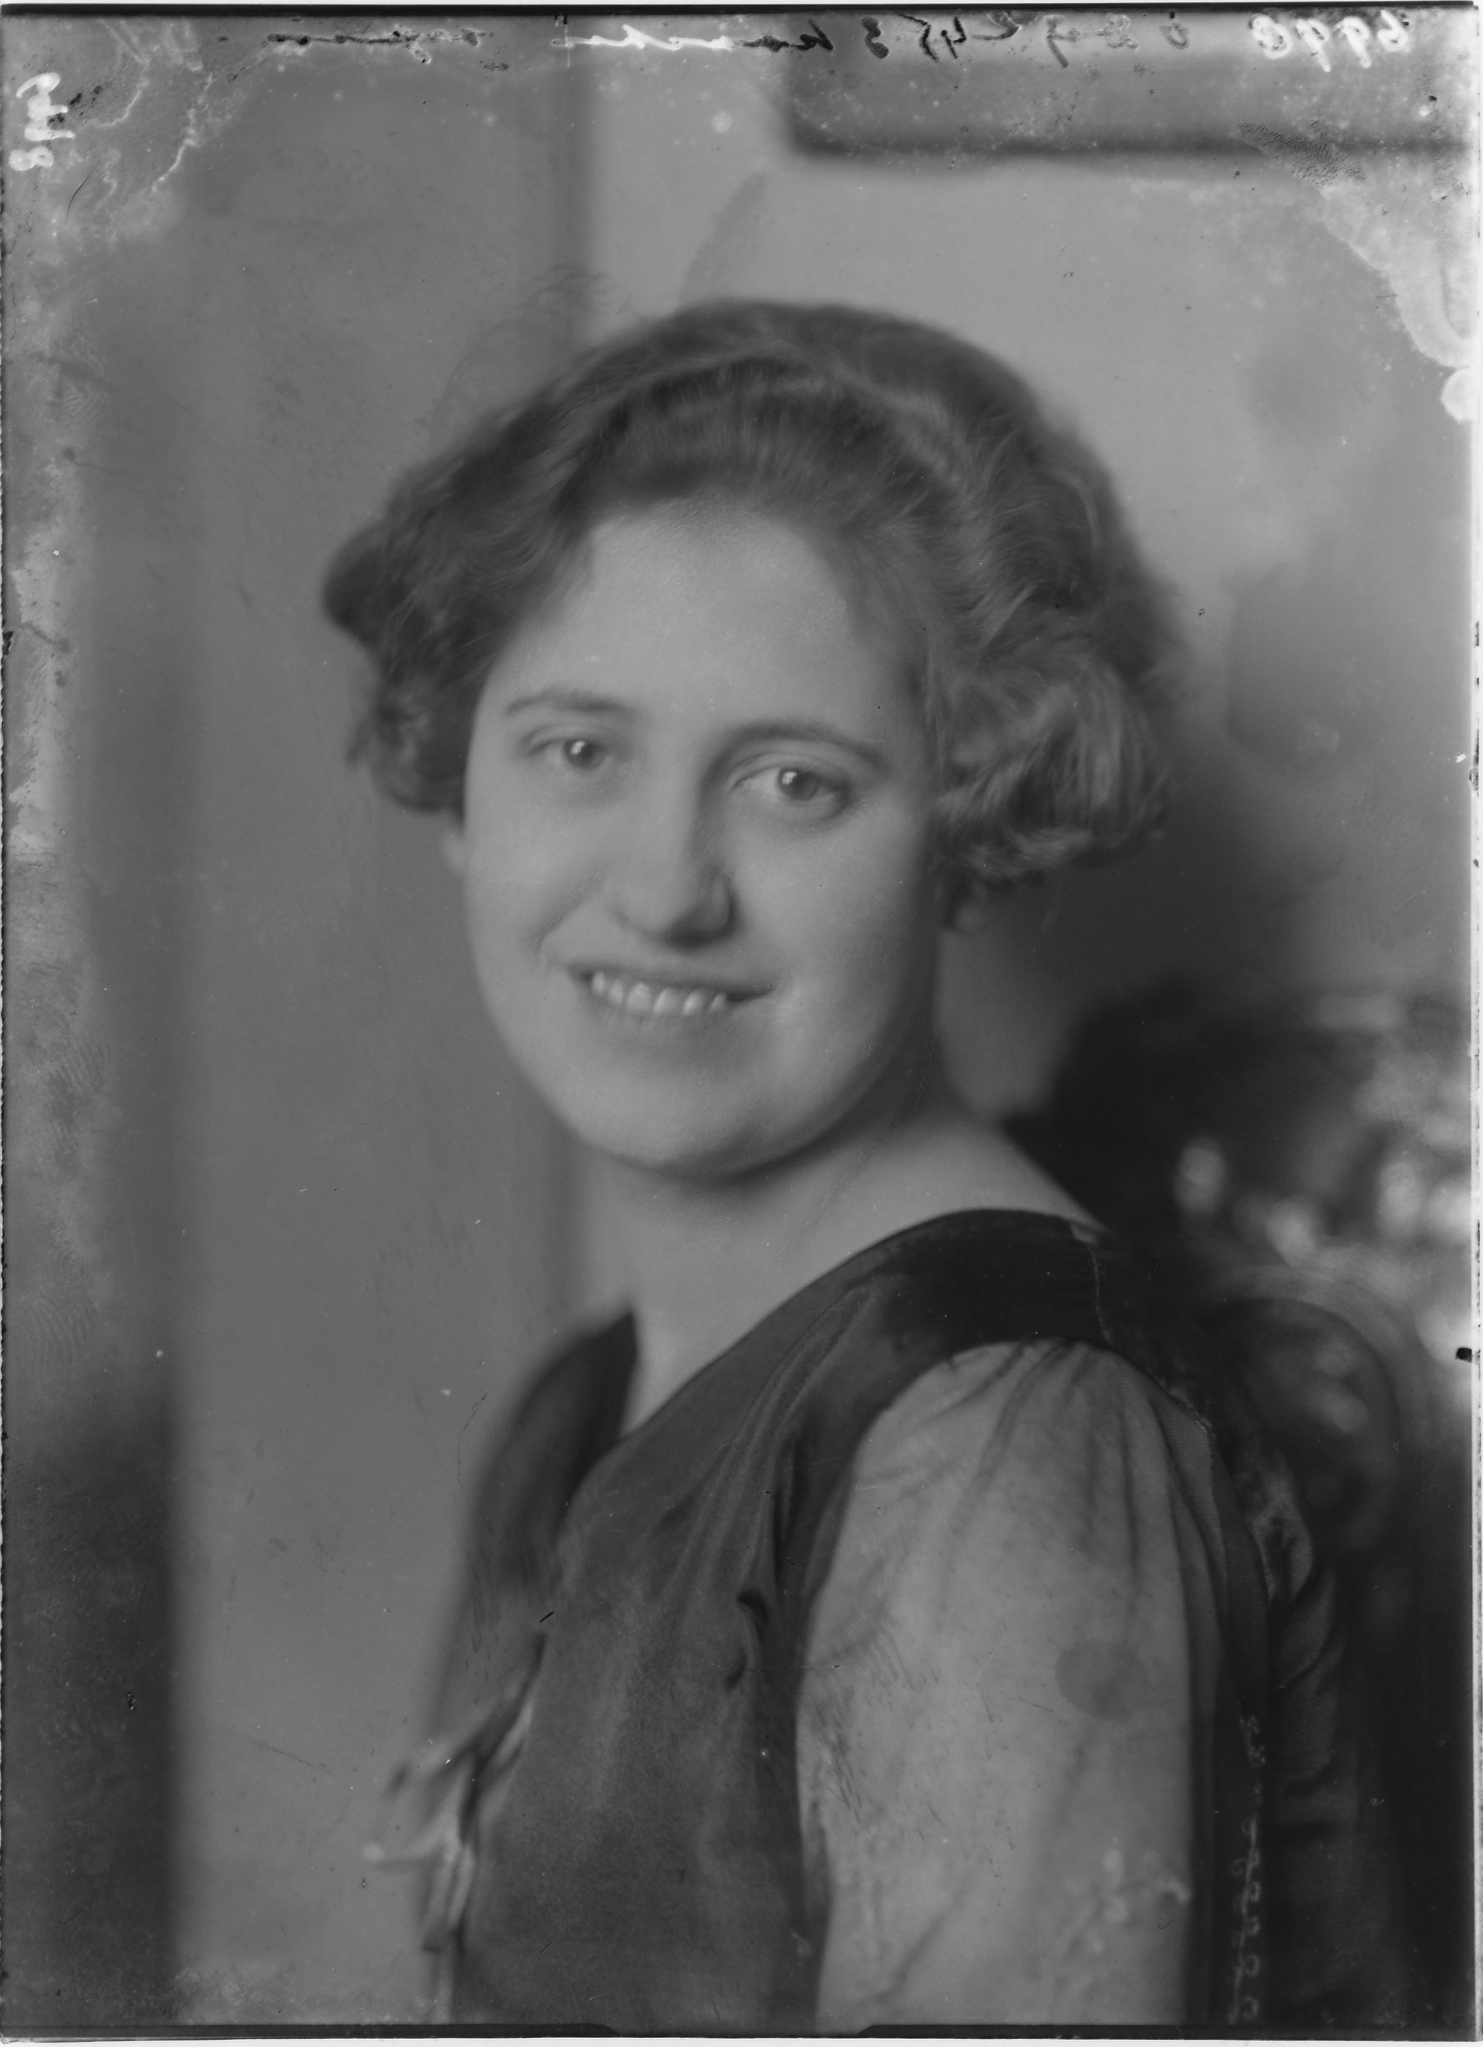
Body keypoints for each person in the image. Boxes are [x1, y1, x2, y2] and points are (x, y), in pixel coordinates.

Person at [322, 300, 1400, 2030]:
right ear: (461, 789)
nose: (664, 889)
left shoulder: (1007, 1432)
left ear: (967, 833)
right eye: (580, 751)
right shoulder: (576, 1406)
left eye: (794, 785)